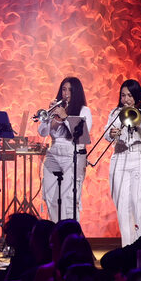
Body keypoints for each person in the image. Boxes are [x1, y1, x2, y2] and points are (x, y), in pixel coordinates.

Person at [106, 79, 141, 246]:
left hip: (140, 157)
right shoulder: (115, 113)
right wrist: (112, 133)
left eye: (129, 95)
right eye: (123, 95)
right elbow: (106, 135)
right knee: (122, 207)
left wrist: (138, 118)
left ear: (136, 96)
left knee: (139, 204)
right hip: (119, 157)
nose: (126, 99)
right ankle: (127, 249)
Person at [38, 76, 92, 221]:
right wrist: (50, 117)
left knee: (69, 200)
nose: (66, 93)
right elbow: (42, 131)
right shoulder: (56, 109)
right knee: (51, 197)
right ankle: (55, 234)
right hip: (53, 155)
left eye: (70, 90)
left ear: (77, 92)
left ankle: (70, 237)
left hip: (72, 156)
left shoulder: (84, 110)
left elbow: (82, 135)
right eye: (63, 89)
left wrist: (65, 117)